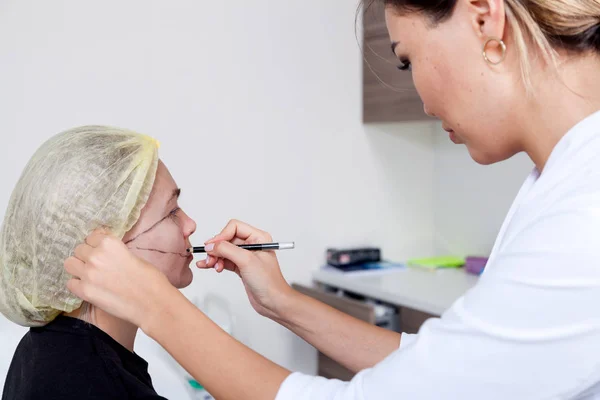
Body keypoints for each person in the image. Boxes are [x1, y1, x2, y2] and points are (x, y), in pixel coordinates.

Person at [65, 0, 600, 399]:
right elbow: (451, 370)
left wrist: (159, 308)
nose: (420, 94)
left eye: (406, 59)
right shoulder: (561, 182)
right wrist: (282, 302)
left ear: (484, 17)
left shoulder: (584, 212)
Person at [0, 126, 196, 399]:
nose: (190, 225)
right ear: (103, 244)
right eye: (172, 211)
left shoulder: (43, 347)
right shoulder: (99, 385)